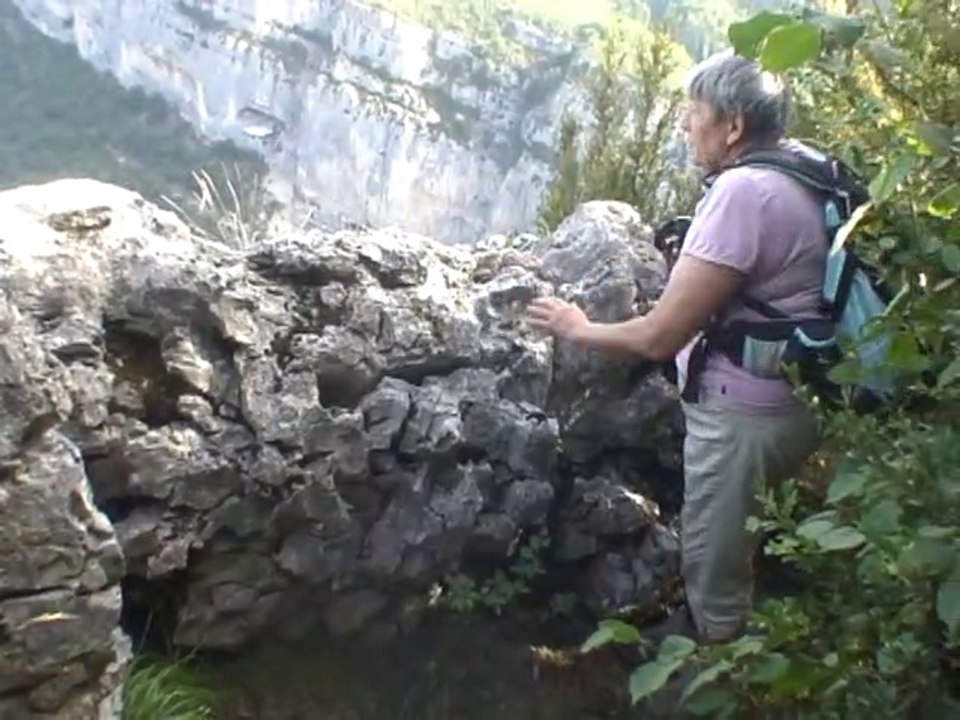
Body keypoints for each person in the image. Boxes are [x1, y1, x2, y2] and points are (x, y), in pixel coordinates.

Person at [526, 52, 823, 644]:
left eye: (695, 113)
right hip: (798, 404)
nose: (685, 126)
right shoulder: (802, 171)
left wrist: (576, 325)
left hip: (742, 420)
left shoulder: (744, 192)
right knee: (756, 536)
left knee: (714, 580)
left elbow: (661, 335)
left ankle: (722, 674)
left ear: (733, 126)